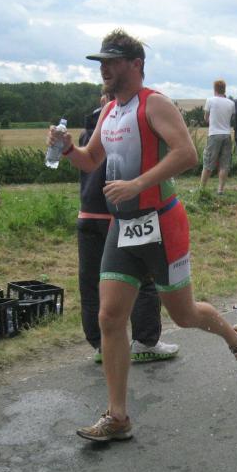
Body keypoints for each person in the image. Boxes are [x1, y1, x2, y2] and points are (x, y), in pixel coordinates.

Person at [49, 29, 237, 443]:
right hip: (123, 226)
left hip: (161, 223)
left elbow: (187, 153)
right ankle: (118, 416)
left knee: (183, 315)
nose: (104, 69)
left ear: (136, 64)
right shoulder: (110, 111)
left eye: (112, 61)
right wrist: (69, 148)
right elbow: (92, 161)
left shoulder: (154, 103)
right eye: (101, 62)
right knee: (110, 317)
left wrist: (137, 184)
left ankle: (235, 337)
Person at [78, 93, 179, 365]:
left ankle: (101, 344)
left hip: (88, 212)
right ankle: (144, 341)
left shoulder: (86, 132)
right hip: (120, 215)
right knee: (142, 278)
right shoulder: (122, 129)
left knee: (92, 283)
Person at [199, 79, 235, 195]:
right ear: (224, 89)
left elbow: (206, 118)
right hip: (227, 134)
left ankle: (202, 188)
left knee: (208, 163)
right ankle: (220, 190)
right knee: (225, 164)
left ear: (215, 89)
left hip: (214, 134)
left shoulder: (210, 100)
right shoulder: (231, 103)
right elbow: (231, 118)